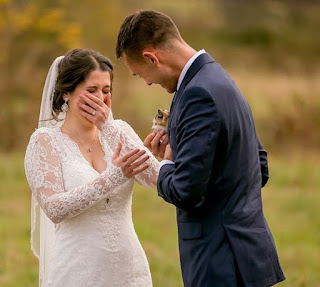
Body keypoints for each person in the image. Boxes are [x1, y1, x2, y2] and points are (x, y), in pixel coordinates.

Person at [116, 10, 285, 287]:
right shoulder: (216, 77)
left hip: (219, 262)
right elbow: (259, 165)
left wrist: (166, 165)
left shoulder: (197, 95)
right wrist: (184, 151)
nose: (147, 82)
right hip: (248, 255)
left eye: (140, 74)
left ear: (151, 58)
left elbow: (187, 191)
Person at [24, 48, 160, 287]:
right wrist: (113, 177)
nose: (101, 99)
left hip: (129, 269)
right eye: (91, 91)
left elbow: (155, 179)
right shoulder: (44, 142)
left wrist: (108, 127)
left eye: (106, 91)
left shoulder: (119, 130)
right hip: (77, 269)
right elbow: (55, 209)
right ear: (66, 92)